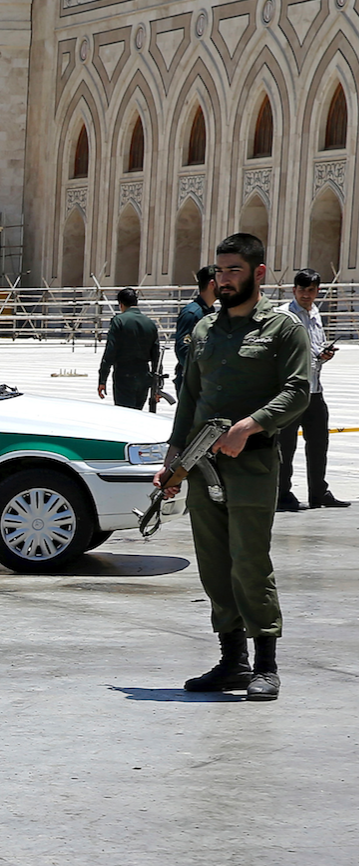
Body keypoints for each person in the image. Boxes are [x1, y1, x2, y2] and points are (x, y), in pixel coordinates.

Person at [155, 233, 310, 702]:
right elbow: (190, 400)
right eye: (219, 272)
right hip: (203, 467)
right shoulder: (204, 331)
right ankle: (231, 661)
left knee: (249, 561)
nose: (223, 280)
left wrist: (251, 425)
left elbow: (298, 390)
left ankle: (266, 664)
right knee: (215, 564)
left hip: (254, 465)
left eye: (233, 271)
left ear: (258, 274)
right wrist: (172, 459)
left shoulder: (283, 330)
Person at [276, 269, 347, 512]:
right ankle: (282, 493)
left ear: (317, 291)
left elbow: (316, 348)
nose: (307, 295)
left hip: (315, 390)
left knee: (319, 442)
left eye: (312, 290)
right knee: (286, 445)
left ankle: (319, 491)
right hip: (290, 390)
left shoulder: (316, 314)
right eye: (302, 290)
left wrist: (323, 355)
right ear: (294, 290)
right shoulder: (283, 316)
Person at [97, 287, 160, 410]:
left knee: (125, 415)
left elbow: (110, 352)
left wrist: (102, 379)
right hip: (144, 375)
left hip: (124, 375)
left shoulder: (119, 321)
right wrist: (156, 384)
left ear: (121, 304)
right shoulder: (150, 323)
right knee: (138, 413)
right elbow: (156, 356)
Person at [173, 265, 218, 392]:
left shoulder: (210, 312)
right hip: (193, 381)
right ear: (212, 284)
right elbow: (183, 350)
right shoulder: (192, 313)